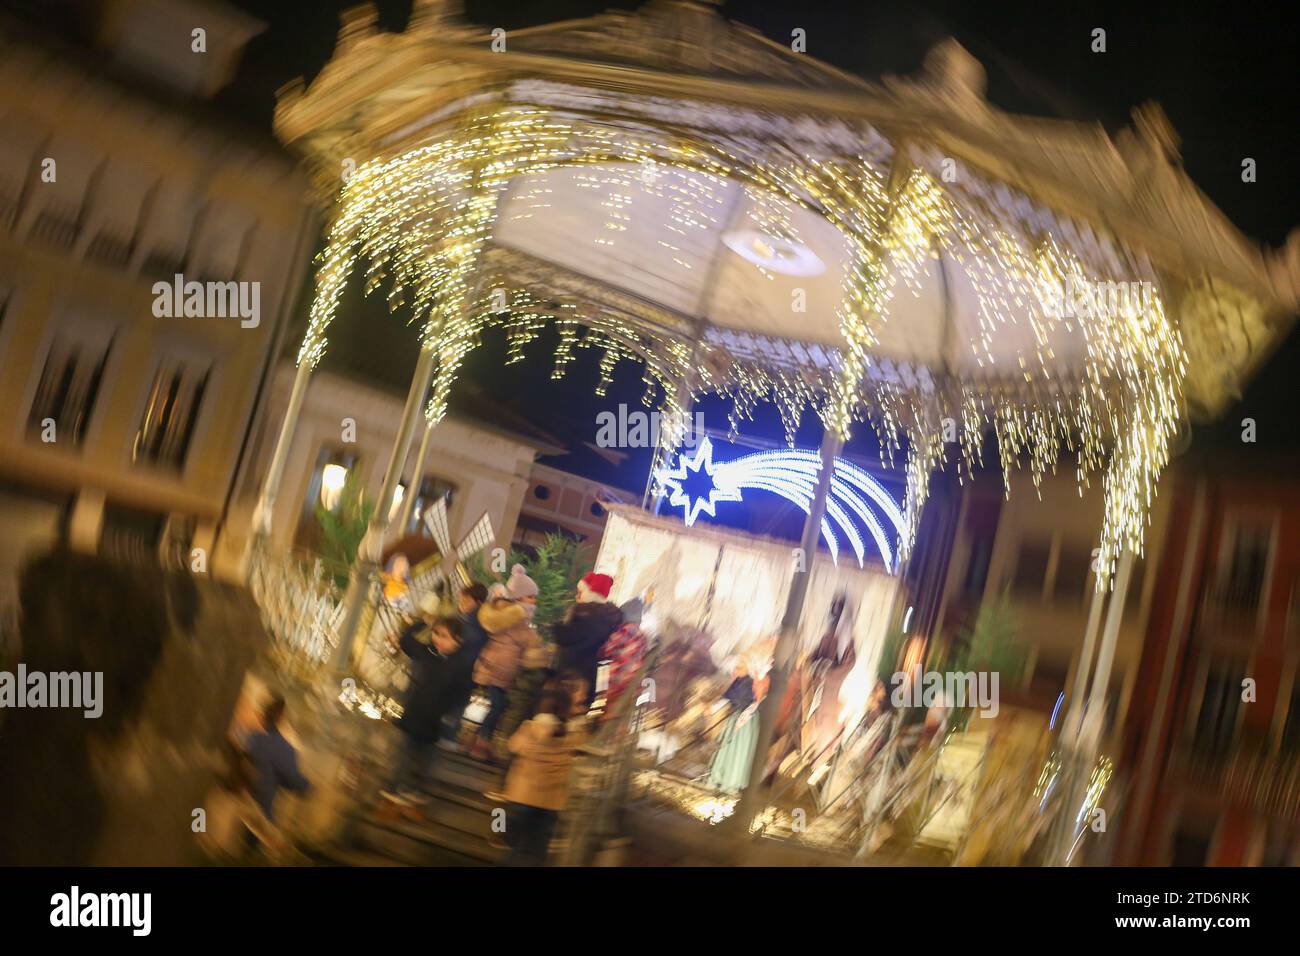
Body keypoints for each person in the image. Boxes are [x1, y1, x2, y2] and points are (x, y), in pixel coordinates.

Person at [383, 616, 466, 803]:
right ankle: (394, 787)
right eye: (436, 634)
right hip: (415, 713)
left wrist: (449, 717)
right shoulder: (426, 652)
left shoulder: (460, 664)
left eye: (444, 636)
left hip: (435, 720)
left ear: (457, 640)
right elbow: (405, 639)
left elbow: (461, 693)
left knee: (427, 758)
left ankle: (417, 790)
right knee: (403, 754)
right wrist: (422, 623)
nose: (438, 639)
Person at [501, 689, 588, 865]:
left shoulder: (529, 728)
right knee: (536, 849)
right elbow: (584, 750)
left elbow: (512, 746)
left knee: (515, 845)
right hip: (551, 801)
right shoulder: (574, 735)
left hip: (522, 796)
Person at [469, 566, 540, 761]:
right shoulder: (512, 615)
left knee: (499, 705)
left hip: (500, 669)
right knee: (499, 705)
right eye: (530, 597)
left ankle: (478, 740)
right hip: (495, 668)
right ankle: (481, 743)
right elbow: (525, 639)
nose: (534, 601)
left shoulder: (514, 615)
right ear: (519, 597)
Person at [553, 572, 622, 706]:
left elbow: (568, 637)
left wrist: (557, 628)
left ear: (589, 595)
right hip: (591, 679)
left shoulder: (587, 617)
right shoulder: (608, 618)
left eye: (580, 593)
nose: (576, 597)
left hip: (575, 680)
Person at [245, 695, 311, 823]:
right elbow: (294, 782)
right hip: (258, 814)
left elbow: (276, 775)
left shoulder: (253, 737)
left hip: (240, 803)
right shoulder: (284, 749)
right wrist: (311, 787)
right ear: (282, 719)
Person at [441, 582, 489, 746]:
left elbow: (465, 643)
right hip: (467, 671)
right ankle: (448, 735)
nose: (461, 603)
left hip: (462, 670)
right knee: (456, 704)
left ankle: (447, 736)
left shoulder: (473, 624)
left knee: (453, 705)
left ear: (476, 601)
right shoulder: (476, 621)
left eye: (465, 599)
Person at [706, 660, 761, 794]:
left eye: (739, 667)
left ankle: (728, 780)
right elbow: (728, 698)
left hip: (743, 721)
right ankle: (721, 777)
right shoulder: (740, 681)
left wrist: (712, 709)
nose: (736, 670)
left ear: (748, 669)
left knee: (734, 749)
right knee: (729, 749)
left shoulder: (746, 682)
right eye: (736, 667)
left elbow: (731, 699)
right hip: (740, 718)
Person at [597, 597, 649, 719]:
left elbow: (606, 650)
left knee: (608, 706)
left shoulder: (623, 632)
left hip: (618, 677)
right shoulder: (643, 636)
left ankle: (604, 719)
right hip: (633, 681)